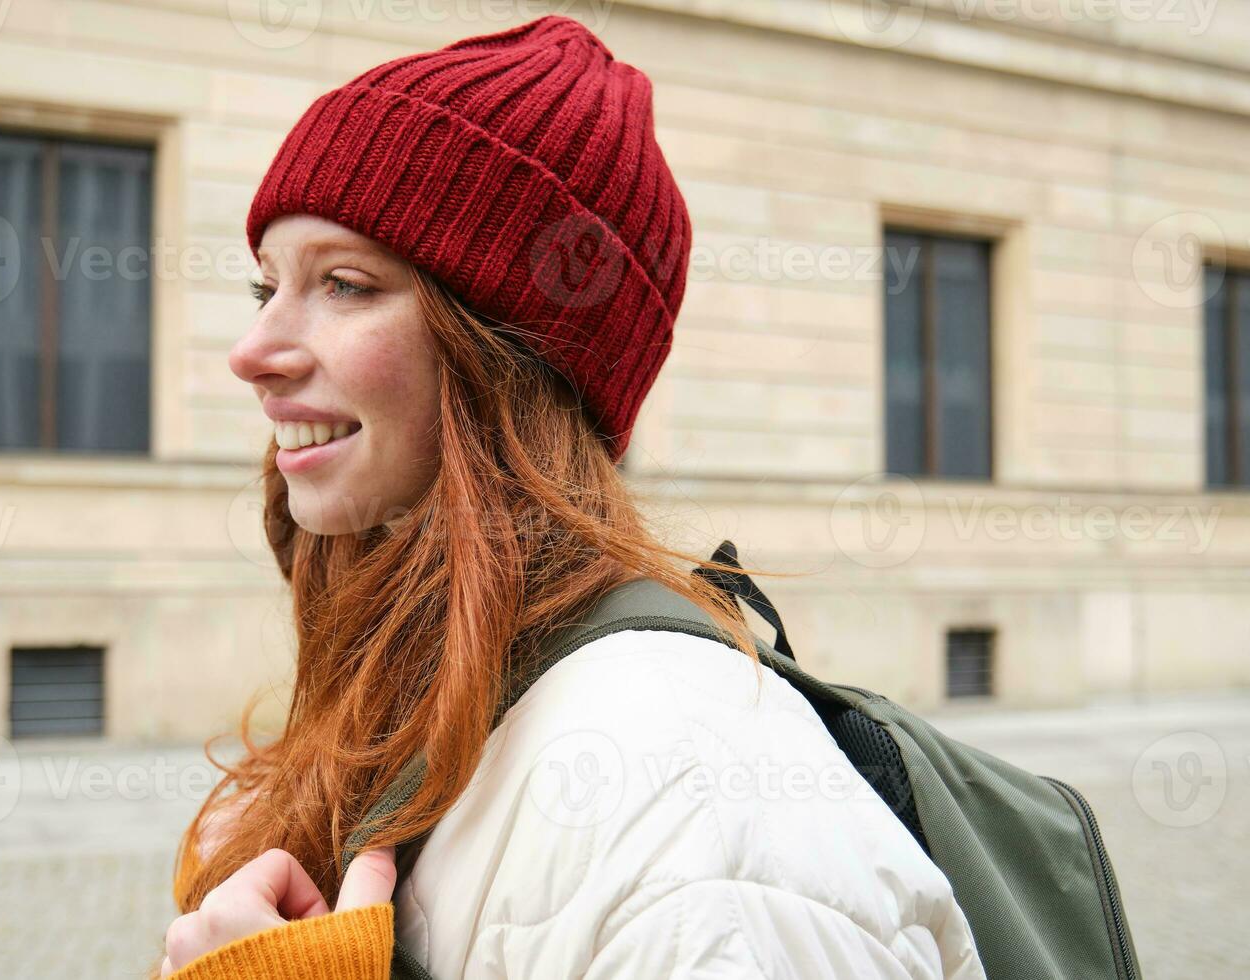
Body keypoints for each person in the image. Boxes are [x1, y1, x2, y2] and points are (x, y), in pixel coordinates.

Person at [159, 15, 982, 979]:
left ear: (511, 358)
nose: (253, 354)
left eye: (343, 284)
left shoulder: (691, 801)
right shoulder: (435, 694)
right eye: (266, 290)